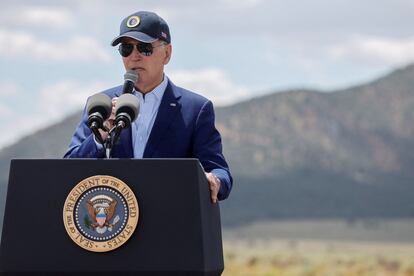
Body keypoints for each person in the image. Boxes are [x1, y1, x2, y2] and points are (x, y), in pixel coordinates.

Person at [64, 11, 232, 202]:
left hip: (169, 220)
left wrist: (215, 180)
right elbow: (69, 167)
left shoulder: (195, 109)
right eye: (126, 48)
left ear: (167, 53)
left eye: (144, 48)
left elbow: (218, 169)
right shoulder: (100, 104)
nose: (134, 57)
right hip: (114, 223)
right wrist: (99, 137)